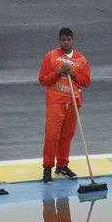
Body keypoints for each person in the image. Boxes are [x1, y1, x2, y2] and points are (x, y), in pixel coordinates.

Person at [37, 27, 90, 184]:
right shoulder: (51, 56)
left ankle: (62, 165)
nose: (66, 42)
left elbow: (87, 82)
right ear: (59, 40)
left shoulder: (81, 59)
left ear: (72, 40)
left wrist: (73, 74)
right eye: (63, 40)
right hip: (55, 100)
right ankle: (47, 168)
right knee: (52, 135)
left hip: (73, 101)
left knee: (67, 136)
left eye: (68, 39)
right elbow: (42, 80)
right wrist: (58, 73)